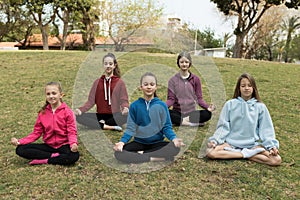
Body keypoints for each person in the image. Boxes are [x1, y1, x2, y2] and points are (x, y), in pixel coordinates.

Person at [206, 73, 282, 166]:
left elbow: (266, 129)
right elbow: (223, 126)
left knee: (276, 160)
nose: (246, 88)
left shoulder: (260, 107)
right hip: (231, 143)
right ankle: (244, 155)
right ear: (239, 88)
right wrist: (215, 141)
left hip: (252, 145)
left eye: (249, 85)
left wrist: (271, 146)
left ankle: (240, 154)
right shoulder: (230, 104)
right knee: (210, 152)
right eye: (243, 86)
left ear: (253, 88)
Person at [113, 72, 185, 164]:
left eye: (152, 84)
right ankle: (154, 158)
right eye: (146, 84)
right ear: (141, 87)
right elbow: (130, 128)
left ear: (156, 87)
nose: (149, 87)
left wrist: (174, 139)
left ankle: (141, 155)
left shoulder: (162, 106)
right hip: (139, 143)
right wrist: (122, 143)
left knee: (174, 148)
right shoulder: (135, 106)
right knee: (119, 154)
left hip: (157, 144)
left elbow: (167, 127)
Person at [11, 82, 79, 165]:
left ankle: (44, 160)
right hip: (49, 146)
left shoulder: (68, 112)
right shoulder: (42, 113)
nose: (51, 96)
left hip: (64, 146)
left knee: (74, 156)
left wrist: (73, 144)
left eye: (54, 93)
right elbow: (36, 133)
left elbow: (71, 131)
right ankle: (54, 156)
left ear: (61, 95)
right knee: (20, 149)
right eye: (48, 94)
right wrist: (20, 142)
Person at [75, 53, 129, 131]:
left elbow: (123, 100)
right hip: (100, 115)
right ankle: (108, 126)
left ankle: (101, 124)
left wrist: (125, 108)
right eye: (106, 64)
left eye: (110, 64)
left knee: (128, 116)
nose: (108, 66)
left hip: (115, 115)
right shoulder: (97, 82)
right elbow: (91, 101)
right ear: (103, 65)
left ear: (114, 65)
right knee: (79, 117)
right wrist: (80, 110)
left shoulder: (120, 82)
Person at [166, 51, 216, 127]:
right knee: (166, 113)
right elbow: (171, 99)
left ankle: (182, 121)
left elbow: (199, 99)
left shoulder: (196, 79)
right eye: (182, 62)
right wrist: (162, 107)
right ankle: (191, 124)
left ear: (190, 63)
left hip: (191, 113)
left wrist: (207, 107)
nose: (184, 64)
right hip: (177, 112)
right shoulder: (172, 80)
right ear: (178, 63)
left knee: (207, 114)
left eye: (186, 62)